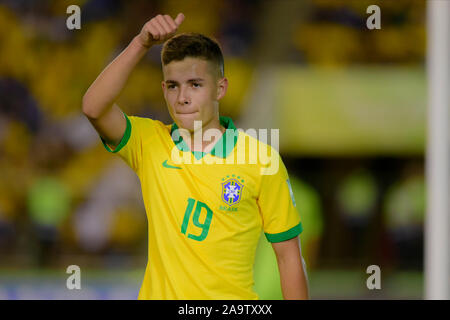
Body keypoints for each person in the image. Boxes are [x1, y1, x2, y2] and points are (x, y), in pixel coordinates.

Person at [82, 13, 308, 300]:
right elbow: (93, 108)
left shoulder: (261, 160)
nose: (182, 98)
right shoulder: (150, 141)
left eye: (195, 84)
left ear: (220, 88)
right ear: (163, 90)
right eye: (173, 86)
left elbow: (289, 258)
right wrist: (140, 44)